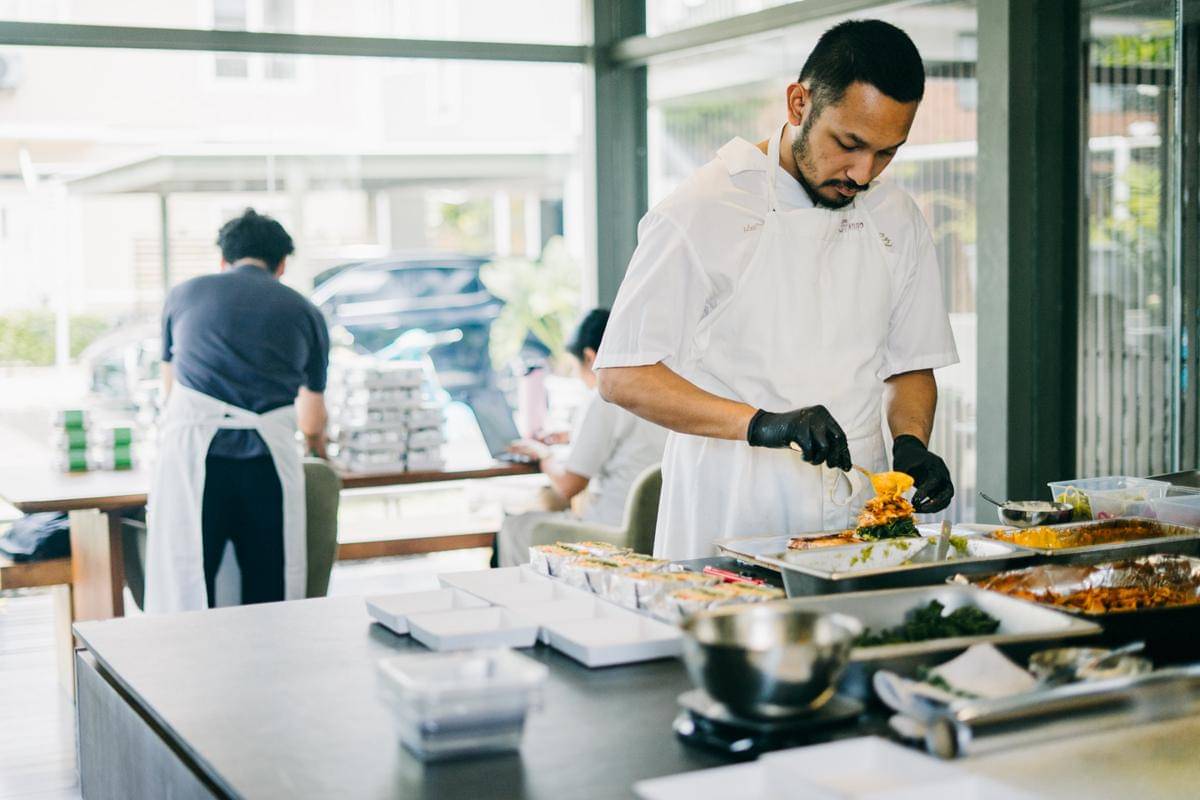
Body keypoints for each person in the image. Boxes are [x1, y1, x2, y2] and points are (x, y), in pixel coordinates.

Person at [594, 20, 959, 560]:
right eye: (849, 144)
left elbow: (910, 363)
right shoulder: (701, 210)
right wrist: (763, 425)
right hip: (732, 504)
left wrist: (910, 443)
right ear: (798, 103)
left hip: (860, 509)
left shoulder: (897, 217)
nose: (862, 173)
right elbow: (624, 375)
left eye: (887, 153)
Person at [144, 208, 330, 612]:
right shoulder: (305, 311)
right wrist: (319, 446)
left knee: (191, 583)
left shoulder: (183, 295)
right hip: (267, 465)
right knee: (269, 591)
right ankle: (269, 670)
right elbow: (312, 418)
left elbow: (171, 390)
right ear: (282, 264)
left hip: (196, 461)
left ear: (223, 260)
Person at [496, 309, 668, 567]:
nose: (578, 376)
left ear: (590, 357)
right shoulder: (663, 387)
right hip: (657, 533)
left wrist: (544, 456)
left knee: (515, 526)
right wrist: (571, 436)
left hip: (612, 533)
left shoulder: (605, 392)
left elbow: (568, 486)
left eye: (576, 367)